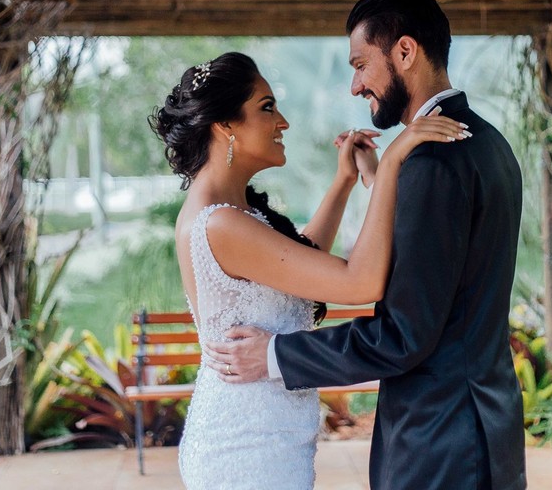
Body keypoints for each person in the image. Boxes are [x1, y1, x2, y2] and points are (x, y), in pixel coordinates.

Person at [205, 0, 527, 490]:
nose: (356, 86)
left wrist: (273, 355)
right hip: (483, 428)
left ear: (404, 51)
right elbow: (444, 257)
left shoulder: (432, 161)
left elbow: (403, 336)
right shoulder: (487, 142)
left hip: (440, 444)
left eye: (360, 64)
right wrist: (379, 179)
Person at [149, 51, 468, 490]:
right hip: (249, 452)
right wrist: (392, 163)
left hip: (263, 438)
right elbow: (360, 282)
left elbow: (300, 262)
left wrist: (343, 182)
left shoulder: (225, 213)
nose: (283, 122)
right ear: (224, 125)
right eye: (266, 108)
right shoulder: (222, 224)